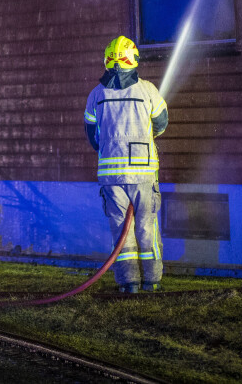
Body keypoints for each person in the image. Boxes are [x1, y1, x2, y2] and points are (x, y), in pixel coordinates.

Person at [83, 36, 168, 293]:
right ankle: (152, 281)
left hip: (111, 176)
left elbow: (91, 134)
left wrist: (109, 148)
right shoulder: (148, 90)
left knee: (121, 230)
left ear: (107, 60)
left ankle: (128, 283)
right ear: (134, 60)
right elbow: (161, 124)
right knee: (146, 226)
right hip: (143, 173)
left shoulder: (96, 94)